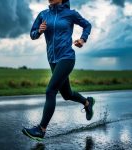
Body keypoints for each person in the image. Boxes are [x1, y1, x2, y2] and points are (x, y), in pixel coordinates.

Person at [22, 0, 95, 141]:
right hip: (52, 60)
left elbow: (87, 25)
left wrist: (83, 39)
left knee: (50, 91)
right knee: (67, 94)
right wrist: (39, 31)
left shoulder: (70, 14)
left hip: (67, 57)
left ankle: (41, 129)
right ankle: (87, 102)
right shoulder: (43, 14)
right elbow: (32, 34)